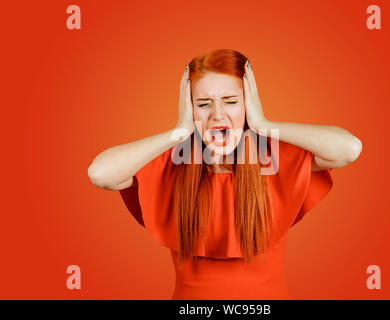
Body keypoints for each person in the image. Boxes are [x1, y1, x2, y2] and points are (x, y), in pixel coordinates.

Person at [87, 49, 363, 299]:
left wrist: (263, 124)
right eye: (203, 104)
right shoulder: (171, 165)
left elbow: (348, 148)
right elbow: (101, 173)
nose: (218, 116)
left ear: (248, 104)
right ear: (189, 109)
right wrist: (179, 132)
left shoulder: (273, 159)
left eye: (231, 101)